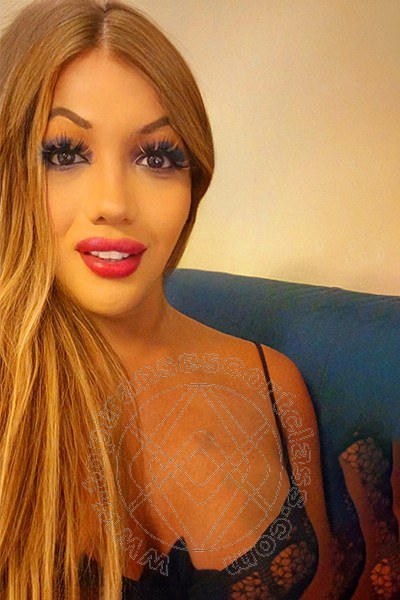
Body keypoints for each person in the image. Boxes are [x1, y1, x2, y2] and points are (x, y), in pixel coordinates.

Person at [0, 0, 343, 598]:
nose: (114, 202)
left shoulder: (274, 385)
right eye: (64, 153)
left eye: (156, 157)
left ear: (193, 181)